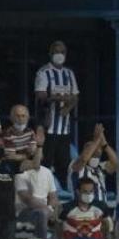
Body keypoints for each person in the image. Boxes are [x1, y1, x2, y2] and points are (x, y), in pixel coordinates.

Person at [33, 40, 79, 181]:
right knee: (46, 161)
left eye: (62, 52)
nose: (59, 55)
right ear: (50, 53)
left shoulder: (69, 73)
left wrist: (68, 107)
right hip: (48, 125)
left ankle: (63, 189)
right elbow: (40, 95)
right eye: (56, 52)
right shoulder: (43, 72)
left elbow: (75, 95)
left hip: (64, 127)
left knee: (64, 162)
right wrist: (58, 98)